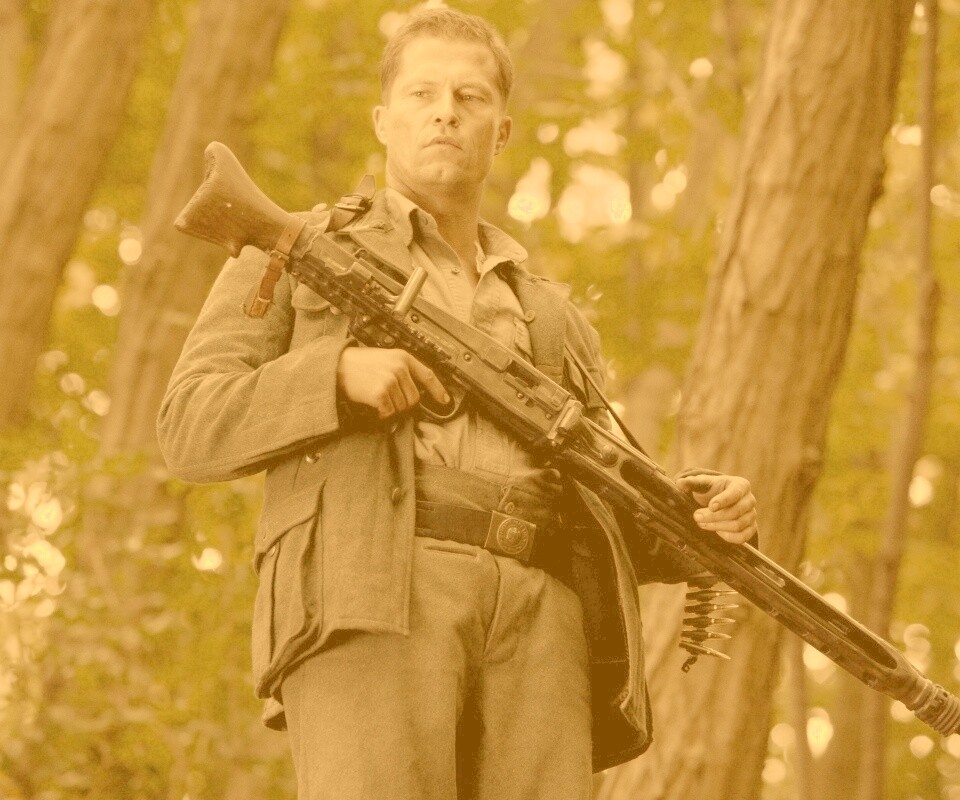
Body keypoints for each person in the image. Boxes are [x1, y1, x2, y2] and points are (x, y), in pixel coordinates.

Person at [157, 7, 758, 799]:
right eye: (423, 93)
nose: (446, 112)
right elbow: (190, 422)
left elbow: (601, 496)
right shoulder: (299, 247)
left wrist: (695, 522)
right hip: (374, 592)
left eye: (471, 97)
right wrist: (336, 377)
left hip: (543, 616)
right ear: (384, 120)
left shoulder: (548, 312)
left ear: (501, 132)